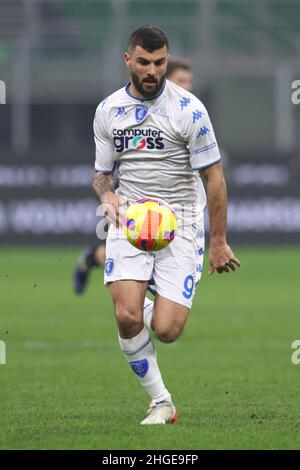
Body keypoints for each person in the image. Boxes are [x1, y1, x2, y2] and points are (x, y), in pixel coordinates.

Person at [92, 25, 241, 425]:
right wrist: (107, 196)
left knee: (167, 330)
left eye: (159, 62)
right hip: (131, 218)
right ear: (128, 60)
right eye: (144, 62)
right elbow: (102, 175)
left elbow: (214, 177)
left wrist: (219, 241)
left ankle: (149, 292)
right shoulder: (108, 111)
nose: (152, 70)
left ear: (166, 59)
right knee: (126, 316)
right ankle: (161, 402)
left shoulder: (190, 110)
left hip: (182, 223)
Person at [73, 56, 194, 294]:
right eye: (181, 80)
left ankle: (90, 259)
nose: (187, 86)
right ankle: (91, 261)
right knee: (135, 249)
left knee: (150, 248)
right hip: (133, 195)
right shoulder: (133, 109)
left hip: (172, 200)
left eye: (189, 81)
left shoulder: (189, 111)